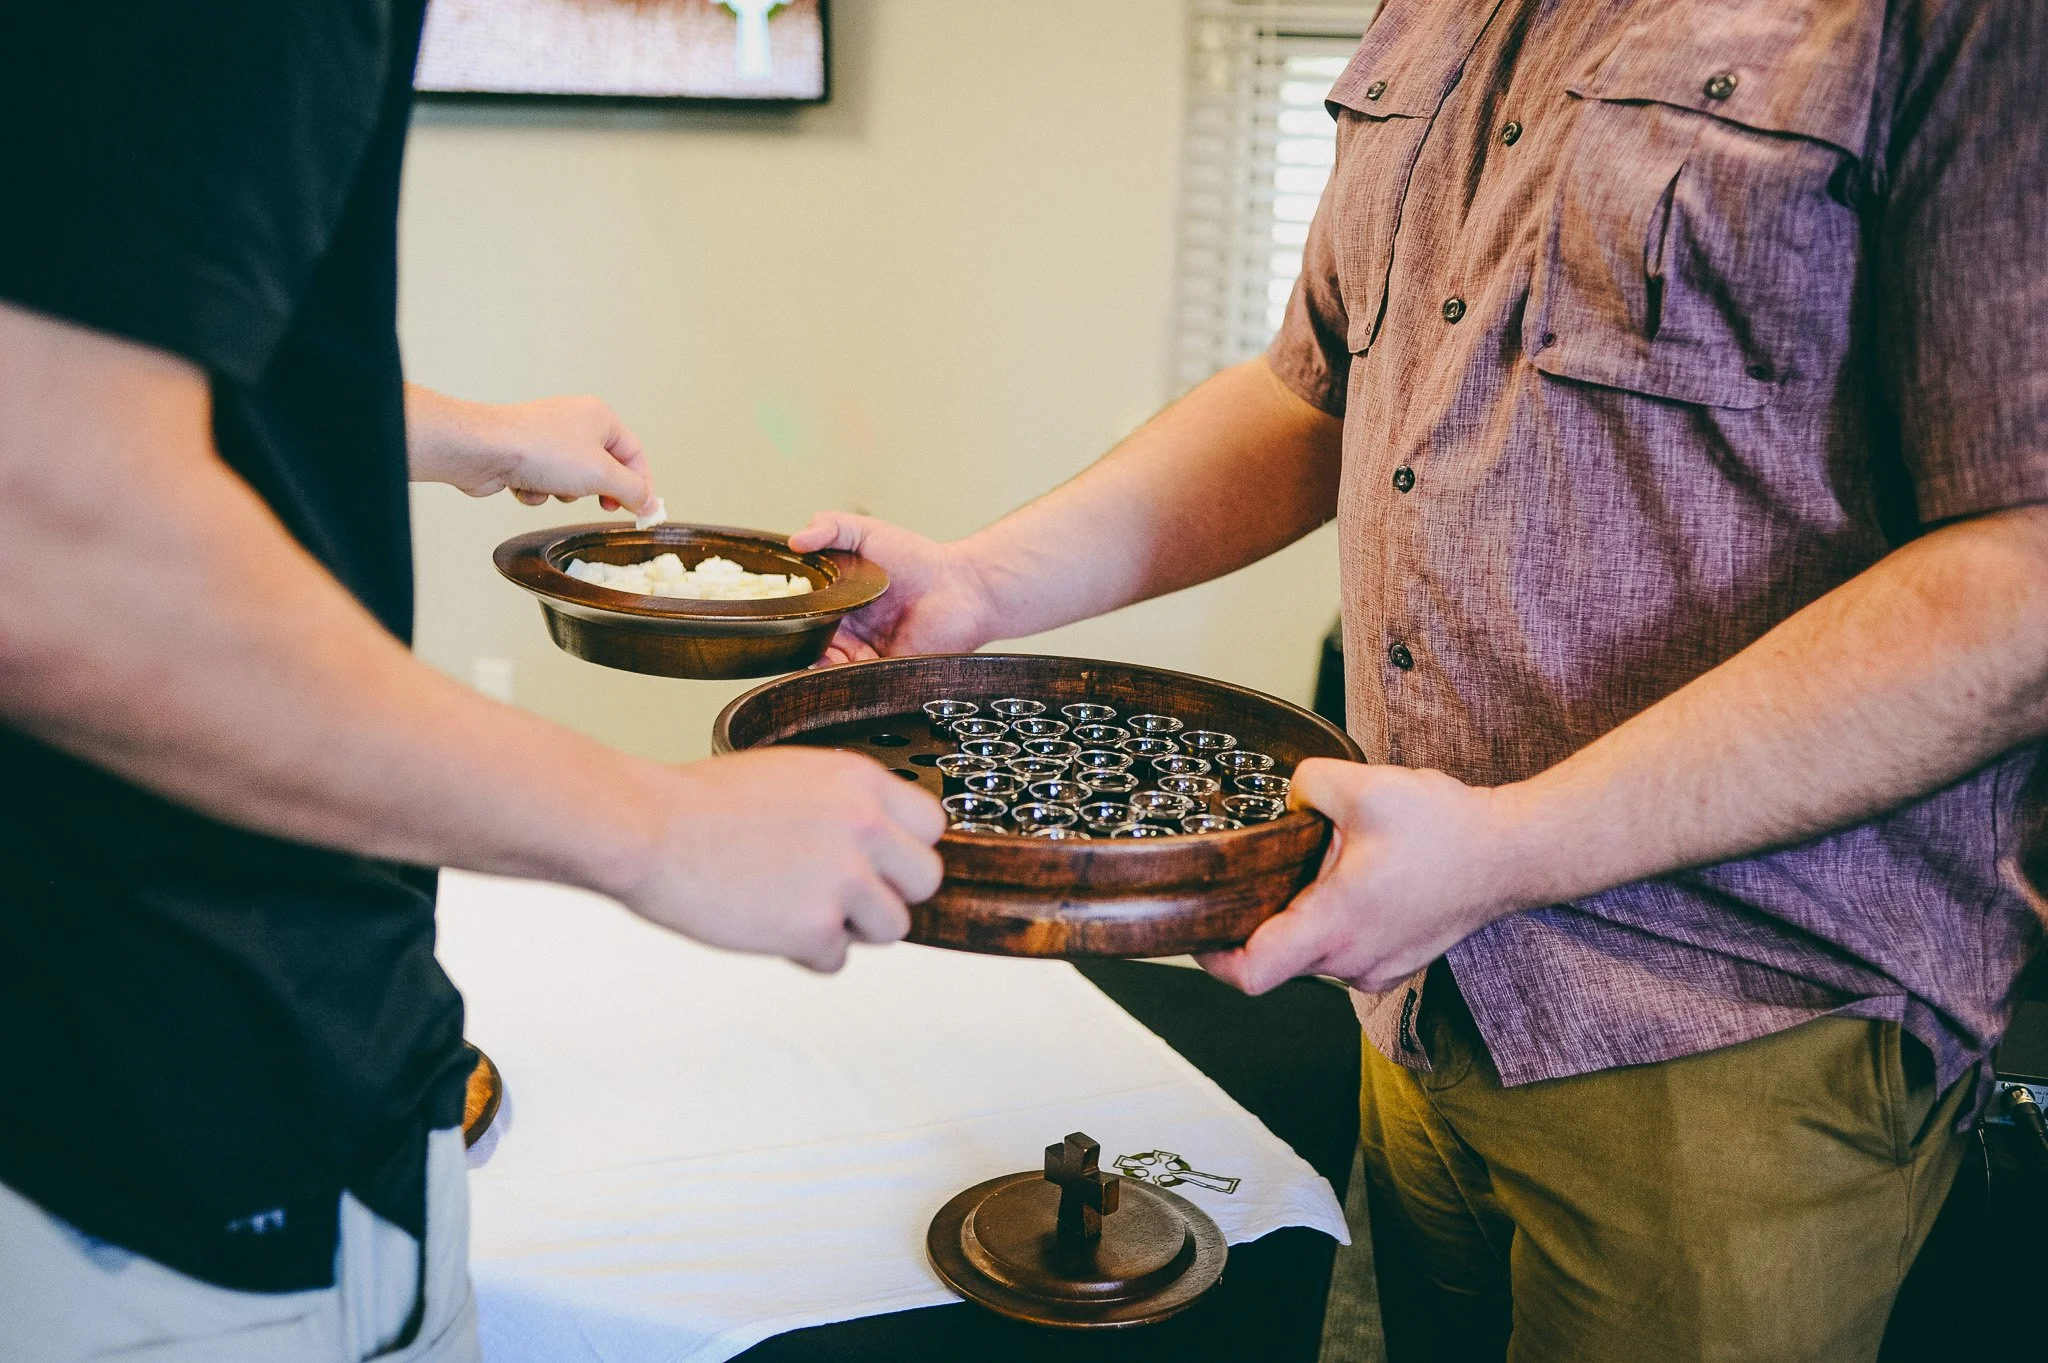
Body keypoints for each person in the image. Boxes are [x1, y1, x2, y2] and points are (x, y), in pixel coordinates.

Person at [789, 0, 2048, 1356]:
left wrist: (1514, 844)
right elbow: (1316, 390)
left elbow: (2023, 574)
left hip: (1740, 1028)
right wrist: (988, 580)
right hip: (1426, 984)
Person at [0, 6, 942, 1361]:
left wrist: (460, 434)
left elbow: (96, 331)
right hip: (167, 1104)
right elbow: (50, 531)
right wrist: (661, 824)